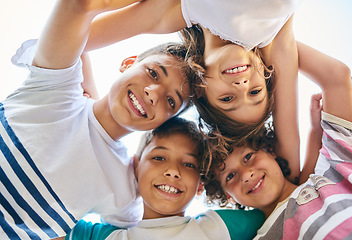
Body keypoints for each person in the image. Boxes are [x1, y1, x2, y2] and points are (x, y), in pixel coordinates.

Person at [0, 0, 200, 239]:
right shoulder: (55, 87)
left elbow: (147, 231)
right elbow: (78, 6)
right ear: (128, 63)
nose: (154, 93)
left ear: (164, 122)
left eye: (171, 102)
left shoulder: (123, 189)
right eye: (153, 73)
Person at [83, 0, 303, 183]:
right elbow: (289, 163)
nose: (242, 86)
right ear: (265, 70)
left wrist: (90, 102)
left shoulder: (175, 11)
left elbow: (76, 38)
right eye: (255, 92)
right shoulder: (272, 30)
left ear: (201, 87)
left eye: (227, 99)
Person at [203, 42, 352, 239]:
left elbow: (336, 77)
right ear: (228, 196)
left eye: (249, 156)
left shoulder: (335, 167)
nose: (246, 174)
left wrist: (252, 43)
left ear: (270, 150)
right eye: (230, 176)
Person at [53, 117, 265, 240]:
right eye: (159, 157)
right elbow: (35, 218)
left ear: (200, 185)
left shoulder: (220, 227)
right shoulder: (102, 237)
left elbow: (287, 202)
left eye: (189, 164)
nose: (173, 171)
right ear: (135, 167)